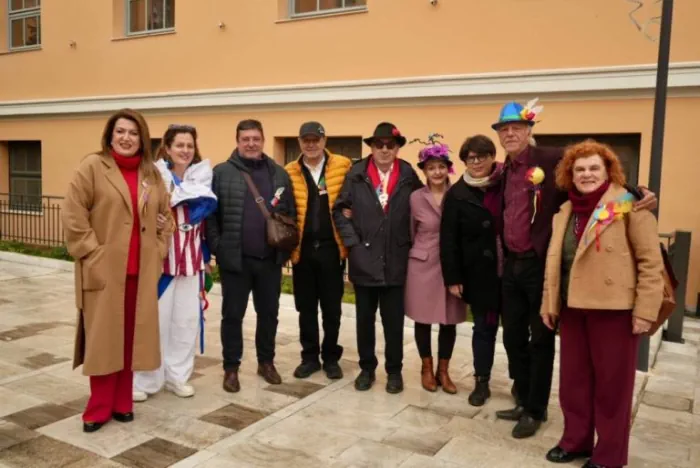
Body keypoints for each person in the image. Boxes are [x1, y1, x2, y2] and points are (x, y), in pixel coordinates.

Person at [491, 98, 657, 439]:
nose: (510, 134)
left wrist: (636, 191)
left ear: (529, 130)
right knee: (512, 337)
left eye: (516, 128)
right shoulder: (504, 169)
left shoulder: (550, 158)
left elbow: (593, 169)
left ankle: (535, 409)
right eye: (504, 129)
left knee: (540, 339)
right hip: (512, 265)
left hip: (539, 264)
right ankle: (522, 396)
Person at [541, 140, 663, 468]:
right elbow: (555, 261)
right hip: (572, 308)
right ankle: (576, 441)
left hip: (615, 310)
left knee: (612, 389)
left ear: (608, 171)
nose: (587, 174)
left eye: (594, 168)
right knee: (573, 383)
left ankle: (609, 456)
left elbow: (651, 262)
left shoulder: (630, 204)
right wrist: (549, 302)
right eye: (579, 169)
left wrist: (644, 311)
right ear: (570, 175)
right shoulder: (565, 210)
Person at [62, 109, 174, 432]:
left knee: (131, 341)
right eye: (120, 131)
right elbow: (72, 214)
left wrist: (160, 246)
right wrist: (92, 253)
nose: (126, 138)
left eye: (133, 133)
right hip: (105, 272)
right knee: (104, 341)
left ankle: (123, 402)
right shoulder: (93, 167)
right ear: (110, 135)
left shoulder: (151, 175)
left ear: (143, 138)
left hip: (141, 273)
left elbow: (167, 218)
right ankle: (98, 407)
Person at [206, 119, 296, 393]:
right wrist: (219, 247)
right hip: (236, 260)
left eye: (256, 138)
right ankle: (231, 368)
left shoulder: (278, 174)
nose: (251, 143)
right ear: (237, 141)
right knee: (232, 316)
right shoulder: (221, 173)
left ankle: (266, 362)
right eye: (245, 139)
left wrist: (284, 250)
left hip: (269, 260)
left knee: (268, 314)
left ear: (263, 140)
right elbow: (211, 216)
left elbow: (290, 214)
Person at [333, 122, 423, 394]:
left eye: (390, 145)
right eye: (379, 145)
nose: (384, 150)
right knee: (365, 321)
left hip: (396, 259)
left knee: (393, 322)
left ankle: (394, 371)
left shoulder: (408, 173)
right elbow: (339, 211)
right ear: (371, 147)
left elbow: (422, 206)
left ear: (397, 148)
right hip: (364, 260)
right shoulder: (356, 174)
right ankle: (367, 368)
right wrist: (354, 244)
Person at [133, 124, 217, 402]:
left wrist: (206, 257)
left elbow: (205, 225)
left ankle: (177, 377)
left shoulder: (201, 178)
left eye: (189, 145)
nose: (185, 150)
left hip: (191, 263)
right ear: (167, 148)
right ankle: (145, 379)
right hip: (162, 265)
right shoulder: (154, 177)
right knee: (154, 324)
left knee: (186, 323)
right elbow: (138, 211)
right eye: (179, 145)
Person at [440, 135, 504, 406]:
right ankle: (482, 381)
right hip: (479, 274)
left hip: (511, 271)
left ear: (492, 157)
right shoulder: (456, 194)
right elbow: (448, 239)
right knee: (484, 328)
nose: (476, 162)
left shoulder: (506, 183)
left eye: (482, 156)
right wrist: (453, 277)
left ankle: (521, 383)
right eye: (470, 158)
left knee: (515, 332)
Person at [285, 122, 352, 380]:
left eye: (316, 139)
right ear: (300, 142)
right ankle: (310, 357)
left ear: (324, 141)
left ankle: (331, 357)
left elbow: (356, 194)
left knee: (332, 308)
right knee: (306, 307)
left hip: (331, 249)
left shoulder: (343, 165)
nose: (311, 144)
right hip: (302, 251)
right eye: (306, 140)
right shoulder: (290, 171)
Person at [404, 134, 466, 394]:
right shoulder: (415, 198)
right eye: (431, 168)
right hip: (422, 265)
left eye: (441, 166)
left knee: (449, 320)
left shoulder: (459, 194)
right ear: (425, 171)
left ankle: (444, 370)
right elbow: (411, 232)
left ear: (448, 168)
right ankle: (426, 368)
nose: (437, 172)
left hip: (453, 267)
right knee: (423, 319)